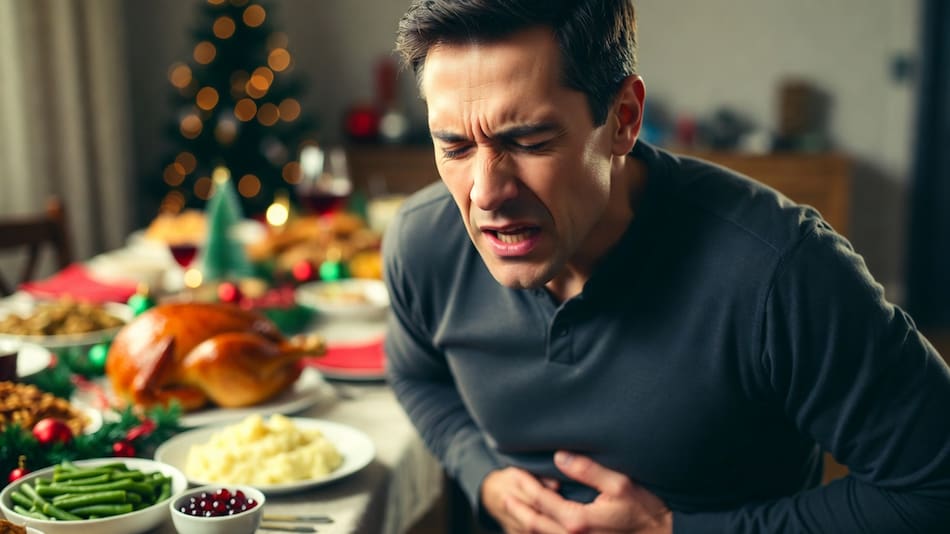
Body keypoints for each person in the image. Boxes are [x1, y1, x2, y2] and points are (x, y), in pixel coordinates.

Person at [382, 1, 950, 532]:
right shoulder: (423, 242)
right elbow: (415, 375)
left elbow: (934, 488)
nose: (485, 194)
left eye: (529, 140)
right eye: (454, 147)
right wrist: (482, 471)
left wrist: (675, 531)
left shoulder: (783, 271)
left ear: (624, 119)